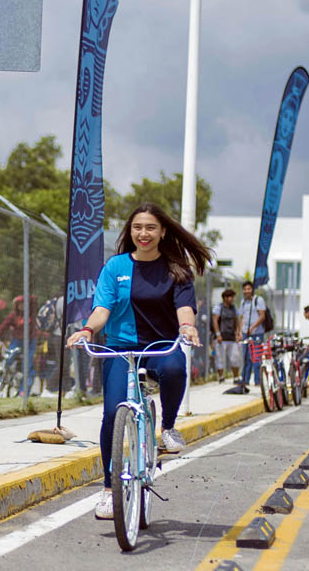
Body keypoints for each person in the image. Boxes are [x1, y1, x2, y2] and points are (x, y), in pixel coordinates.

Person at [65, 202, 210, 520]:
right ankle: (107, 488)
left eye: (150, 228)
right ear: (130, 232)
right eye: (137, 228)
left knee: (173, 369)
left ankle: (168, 427)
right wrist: (88, 330)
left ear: (162, 232)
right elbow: (102, 309)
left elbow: (185, 308)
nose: (143, 233)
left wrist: (187, 327)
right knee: (112, 413)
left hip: (160, 344)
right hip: (120, 347)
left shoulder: (177, 270)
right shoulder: (115, 267)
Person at [0, 295, 38, 397]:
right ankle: (0, 384)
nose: (22, 306)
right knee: (8, 359)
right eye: (20, 304)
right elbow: (3, 326)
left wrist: (25, 298)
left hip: (30, 341)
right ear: (16, 306)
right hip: (17, 340)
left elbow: (35, 299)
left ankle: (23, 391)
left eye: (24, 304)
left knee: (27, 365)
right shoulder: (13, 315)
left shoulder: (31, 314)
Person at [238, 281, 267, 387]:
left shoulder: (258, 300)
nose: (247, 291)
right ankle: (245, 379)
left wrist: (253, 327)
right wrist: (241, 331)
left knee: (256, 357)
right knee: (246, 356)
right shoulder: (243, 302)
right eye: (245, 289)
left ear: (252, 290)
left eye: (248, 289)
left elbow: (262, 316)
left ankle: (257, 380)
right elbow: (242, 318)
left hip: (256, 333)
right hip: (246, 333)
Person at [212, 288, 241, 384]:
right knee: (220, 358)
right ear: (225, 298)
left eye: (233, 297)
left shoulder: (234, 308)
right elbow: (215, 321)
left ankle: (236, 377)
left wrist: (237, 333)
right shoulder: (218, 307)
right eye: (230, 297)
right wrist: (218, 334)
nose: (232, 299)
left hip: (232, 337)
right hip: (221, 337)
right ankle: (221, 377)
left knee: (235, 357)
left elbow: (237, 321)